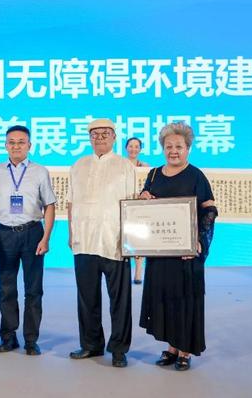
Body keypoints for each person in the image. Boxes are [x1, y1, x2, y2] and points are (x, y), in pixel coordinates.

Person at [139, 122, 218, 371]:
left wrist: (198, 241)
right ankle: (172, 347)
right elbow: (144, 206)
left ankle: (185, 351)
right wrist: (142, 198)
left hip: (185, 253)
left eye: (179, 147)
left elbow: (209, 209)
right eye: (169, 146)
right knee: (164, 299)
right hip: (160, 252)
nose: (173, 151)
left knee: (184, 300)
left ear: (188, 148)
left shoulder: (196, 175)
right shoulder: (153, 174)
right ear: (163, 148)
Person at [67, 119, 136, 368]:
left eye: (105, 133)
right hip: (84, 239)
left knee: (120, 299)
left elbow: (132, 203)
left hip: (114, 240)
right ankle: (91, 344)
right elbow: (71, 201)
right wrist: (71, 232)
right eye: (94, 134)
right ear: (89, 138)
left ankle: (119, 349)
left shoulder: (124, 166)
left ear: (114, 137)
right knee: (87, 298)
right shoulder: (78, 165)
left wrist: (130, 239)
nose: (99, 138)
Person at [0, 125, 56, 356]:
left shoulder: (40, 171)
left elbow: (49, 205)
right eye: (12, 142)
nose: (16, 146)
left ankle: (31, 340)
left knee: (33, 290)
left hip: (32, 233)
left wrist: (46, 237)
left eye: (21, 142)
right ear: (5, 145)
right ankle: (8, 338)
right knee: (6, 289)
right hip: (5, 234)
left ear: (29, 145)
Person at [125, 137, 149, 285]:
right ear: (126, 148)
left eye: (136, 146)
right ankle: (124, 271)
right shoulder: (120, 165)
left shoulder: (145, 166)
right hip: (123, 205)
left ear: (140, 149)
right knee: (124, 238)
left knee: (139, 238)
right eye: (131, 146)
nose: (133, 149)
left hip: (139, 207)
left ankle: (138, 272)